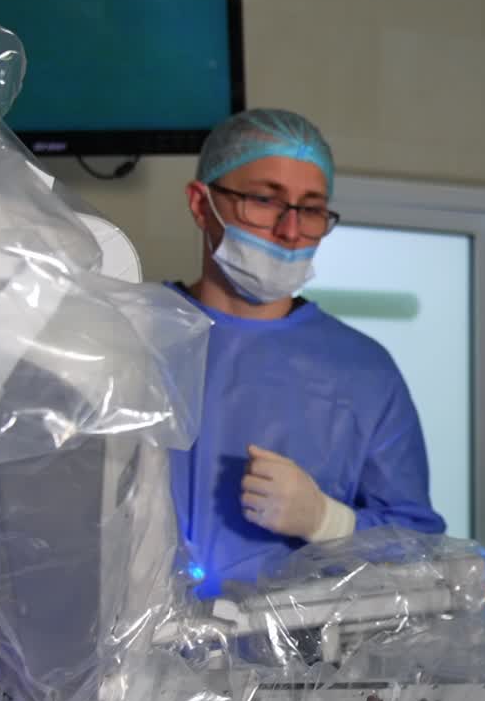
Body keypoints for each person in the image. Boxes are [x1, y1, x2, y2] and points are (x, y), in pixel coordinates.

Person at [169, 107, 444, 593]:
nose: (290, 230)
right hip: (132, 637)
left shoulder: (363, 370)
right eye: (264, 200)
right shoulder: (136, 337)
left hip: (300, 640)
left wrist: (327, 521)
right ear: (200, 203)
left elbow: (420, 549)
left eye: (311, 209)